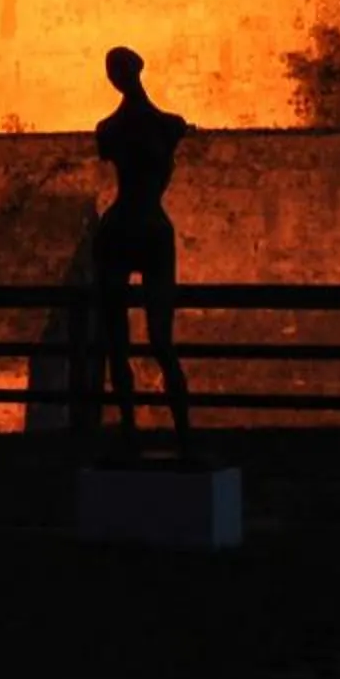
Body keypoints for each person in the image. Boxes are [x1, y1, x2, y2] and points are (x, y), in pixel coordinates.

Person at [92, 47, 194, 458]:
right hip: (152, 226)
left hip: (119, 228)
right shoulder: (170, 125)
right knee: (160, 342)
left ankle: (132, 435)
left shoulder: (110, 129)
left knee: (120, 341)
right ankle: (183, 435)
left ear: (115, 78)